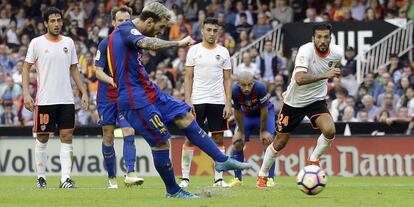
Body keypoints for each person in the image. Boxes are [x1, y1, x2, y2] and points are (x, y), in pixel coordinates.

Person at [107, 2, 251, 198]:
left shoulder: (128, 32)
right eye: (161, 27)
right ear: (150, 21)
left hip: (149, 91)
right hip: (134, 98)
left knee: (184, 115)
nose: (160, 31)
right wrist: (178, 43)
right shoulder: (126, 30)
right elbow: (149, 43)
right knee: (161, 141)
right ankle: (173, 190)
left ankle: (220, 159)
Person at [256, 23, 343, 189]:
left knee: (330, 130)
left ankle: (314, 159)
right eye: (319, 37)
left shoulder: (337, 53)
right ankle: (262, 175)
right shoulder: (306, 50)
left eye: (326, 37)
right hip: (294, 102)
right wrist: (326, 75)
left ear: (330, 39)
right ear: (313, 38)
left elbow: (331, 68)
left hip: (316, 100)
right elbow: (300, 79)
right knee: (280, 141)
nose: (322, 40)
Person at [22, 7, 89, 189]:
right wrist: (26, 93)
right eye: (52, 21)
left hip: (66, 99)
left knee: (66, 136)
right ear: (45, 23)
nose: (57, 24)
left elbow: (74, 68)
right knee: (42, 137)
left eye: (59, 20)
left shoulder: (68, 42)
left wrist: (83, 92)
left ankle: (65, 179)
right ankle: (41, 177)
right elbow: (26, 68)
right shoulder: (36, 43)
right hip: (44, 100)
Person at [94, 6, 144, 189]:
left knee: (129, 132)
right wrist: (112, 80)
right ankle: (112, 178)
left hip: (125, 95)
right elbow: (97, 71)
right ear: (113, 23)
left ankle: (130, 173)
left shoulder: (134, 43)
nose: (123, 23)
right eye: (120, 20)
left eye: (127, 20)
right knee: (108, 136)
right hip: (106, 97)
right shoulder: (105, 43)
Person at [179, 17, 232, 188]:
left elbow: (227, 79)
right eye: (208, 30)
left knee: (218, 139)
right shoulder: (193, 51)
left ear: (219, 32)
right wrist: (188, 100)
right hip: (197, 100)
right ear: (202, 30)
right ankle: (185, 178)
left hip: (217, 101)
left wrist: (228, 103)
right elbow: (188, 76)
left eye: (215, 30)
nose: (211, 33)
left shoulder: (224, 52)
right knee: (190, 138)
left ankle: (218, 179)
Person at [229, 72, 276, 187]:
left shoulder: (260, 88)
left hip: (264, 114)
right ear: (238, 84)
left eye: (250, 85)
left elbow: (264, 110)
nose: (247, 88)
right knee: (238, 142)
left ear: (253, 82)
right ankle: (237, 179)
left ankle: (269, 179)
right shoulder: (234, 91)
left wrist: (263, 131)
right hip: (246, 115)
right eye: (243, 85)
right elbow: (237, 111)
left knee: (268, 142)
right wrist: (241, 131)